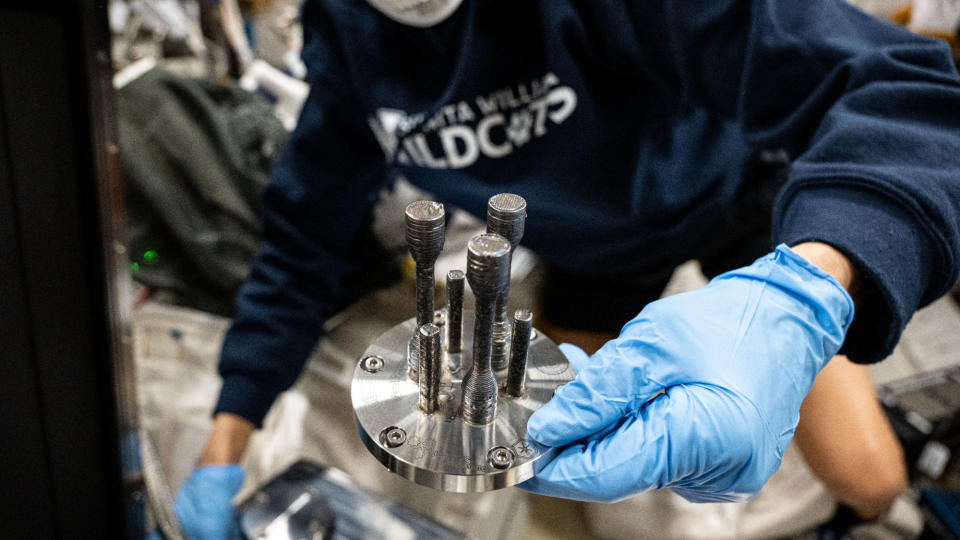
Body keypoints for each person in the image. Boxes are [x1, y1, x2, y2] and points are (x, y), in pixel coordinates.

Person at [173, 0, 960, 537]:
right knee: (574, 475)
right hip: (595, 259)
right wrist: (223, 444)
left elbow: (906, 92)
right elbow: (299, 239)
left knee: (871, 481)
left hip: (741, 209)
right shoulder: (348, 39)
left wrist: (806, 290)